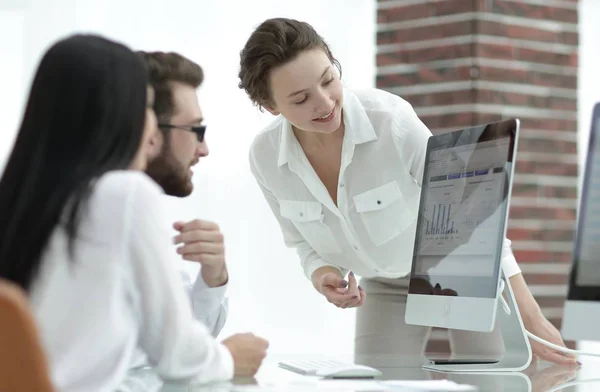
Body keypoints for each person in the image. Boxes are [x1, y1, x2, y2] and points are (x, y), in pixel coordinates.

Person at [238, 17, 576, 366]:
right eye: (301, 98)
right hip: (384, 283)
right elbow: (302, 244)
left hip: (460, 264)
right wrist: (323, 275)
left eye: (328, 80)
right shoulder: (266, 158)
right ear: (272, 107)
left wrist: (531, 316)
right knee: (379, 382)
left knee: (494, 378)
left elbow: (474, 214)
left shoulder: (391, 120)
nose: (324, 103)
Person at [0, 34, 267, 392]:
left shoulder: (27, 198)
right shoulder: (122, 195)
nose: (152, 129)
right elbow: (178, 356)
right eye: (144, 109)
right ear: (115, 115)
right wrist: (231, 356)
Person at [137, 50, 228, 339]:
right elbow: (170, 351)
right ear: (149, 130)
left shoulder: (138, 210)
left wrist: (214, 275)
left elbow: (176, 330)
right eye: (195, 129)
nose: (204, 149)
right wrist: (225, 359)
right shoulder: (115, 205)